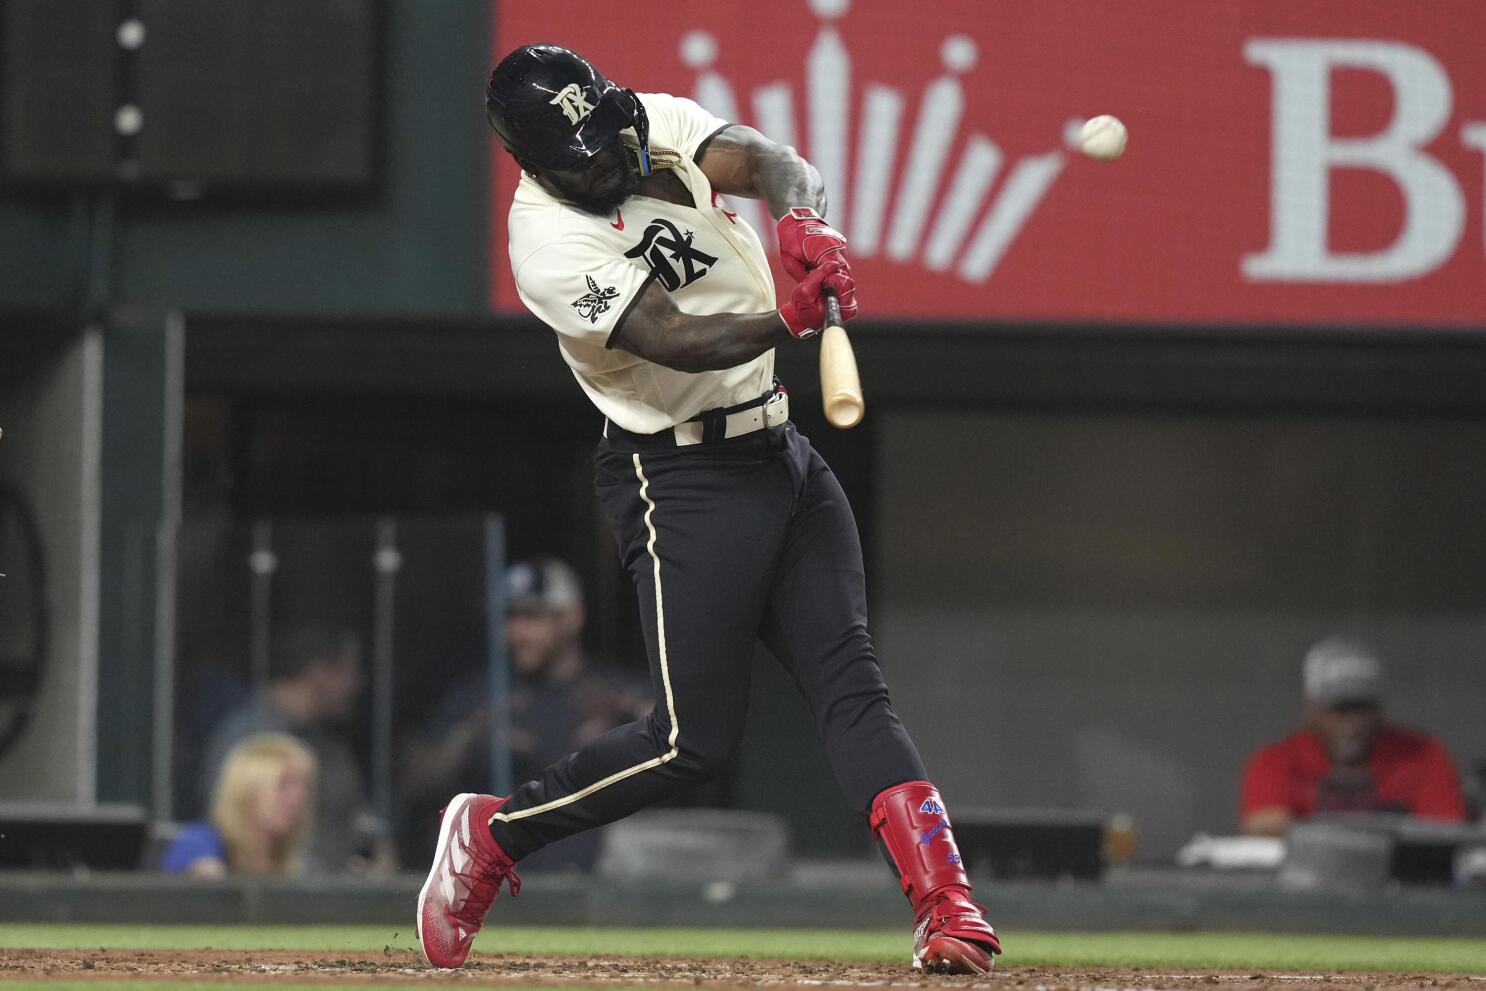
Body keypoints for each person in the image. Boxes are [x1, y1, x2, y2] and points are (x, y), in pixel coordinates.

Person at [415, 44, 1000, 974]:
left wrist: (801, 218)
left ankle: (948, 904)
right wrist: (792, 318)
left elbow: (768, 160)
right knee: (691, 742)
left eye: (611, 131)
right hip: (677, 477)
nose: (612, 155)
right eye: (585, 152)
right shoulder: (548, 245)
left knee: (853, 681)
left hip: (778, 449)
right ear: (531, 160)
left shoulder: (639, 120)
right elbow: (674, 338)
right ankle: (495, 832)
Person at [399, 556, 645, 868]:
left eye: (531, 617)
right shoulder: (484, 696)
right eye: (509, 618)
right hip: (503, 883)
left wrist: (633, 713)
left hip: (598, 884)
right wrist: (471, 735)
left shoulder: (613, 692)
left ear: (572, 618)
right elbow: (416, 784)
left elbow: (687, 751)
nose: (516, 632)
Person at [201, 625, 390, 873]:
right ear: (319, 672)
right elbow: (222, 828)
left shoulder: (331, 750)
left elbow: (363, 830)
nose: (358, 685)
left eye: (303, 786)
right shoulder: (245, 742)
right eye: (350, 670)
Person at [1240, 636, 1469, 836]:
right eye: (1342, 709)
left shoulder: (1422, 755)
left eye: (1363, 708)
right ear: (1311, 710)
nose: (1354, 723)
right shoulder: (1278, 760)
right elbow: (1262, 824)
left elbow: (1446, 829)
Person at [162, 733, 317, 876]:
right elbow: (206, 884)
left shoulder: (302, 867)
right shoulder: (200, 843)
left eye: (305, 786)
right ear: (246, 790)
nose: (298, 798)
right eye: (283, 784)